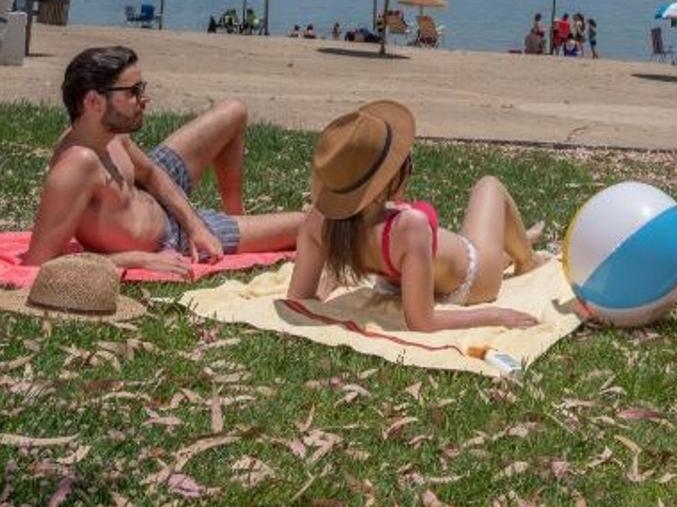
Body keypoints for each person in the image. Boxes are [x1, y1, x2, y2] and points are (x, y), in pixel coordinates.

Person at [24, 46, 304, 273]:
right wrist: (135, 259)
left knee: (234, 111)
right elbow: (40, 264)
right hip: (168, 235)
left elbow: (151, 174)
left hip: (154, 201)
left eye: (141, 88)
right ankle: (240, 232)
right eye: (133, 92)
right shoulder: (77, 165)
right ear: (94, 102)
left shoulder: (110, 134)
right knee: (308, 224)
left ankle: (237, 218)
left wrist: (195, 226)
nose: (144, 99)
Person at [287, 101, 544, 331]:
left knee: (488, 241)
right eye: (405, 164)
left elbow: (298, 300)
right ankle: (526, 259)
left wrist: (325, 291)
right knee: (489, 186)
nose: (409, 170)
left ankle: (514, 248)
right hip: (473, 279)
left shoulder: (318, 223)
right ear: (379, 189)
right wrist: (493, 315)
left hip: (406, 280)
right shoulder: (409, 227)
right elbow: (423, 323)